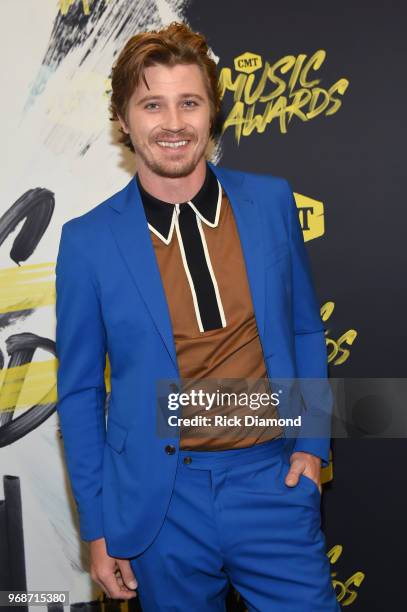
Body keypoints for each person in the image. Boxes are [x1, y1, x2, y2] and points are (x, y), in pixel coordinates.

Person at [55, 21, 340, 612]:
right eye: (152, 104)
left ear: (213, 112)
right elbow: (80, 393)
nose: (173, 123)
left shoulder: (269, 202)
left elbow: (306, 328)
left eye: (190, 102)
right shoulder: (87, 242)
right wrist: (99, 527)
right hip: (161, 503)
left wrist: (311, 447)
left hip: (273, 482)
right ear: (124, 120)